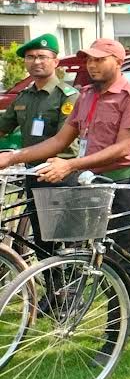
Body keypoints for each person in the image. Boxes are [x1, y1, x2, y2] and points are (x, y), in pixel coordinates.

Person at [0, 38, 130, 321]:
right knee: (90, 251)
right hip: (91, 181)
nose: (91, 65)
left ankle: (123, 324)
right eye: (88, 60)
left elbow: (122, 147)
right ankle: (104, 309)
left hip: (122, 183)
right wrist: (12, 157)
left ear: (118, 62)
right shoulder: (87, 95)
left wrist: (71, 164)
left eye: (99, 59)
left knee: (120, 257)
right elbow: (60, 140)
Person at [0, 34, 79, 256]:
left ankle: (72, 288)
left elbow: (59, 142)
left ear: (55, 62)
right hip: (33, 173)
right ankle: (53, 290)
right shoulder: (23, 97)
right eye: (30, 57)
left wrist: (12, 157)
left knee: (67, 240)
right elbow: (3, 126)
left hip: (61, 176)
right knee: (42, 241)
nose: (36, 62)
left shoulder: (68, 96)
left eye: (42, 57)